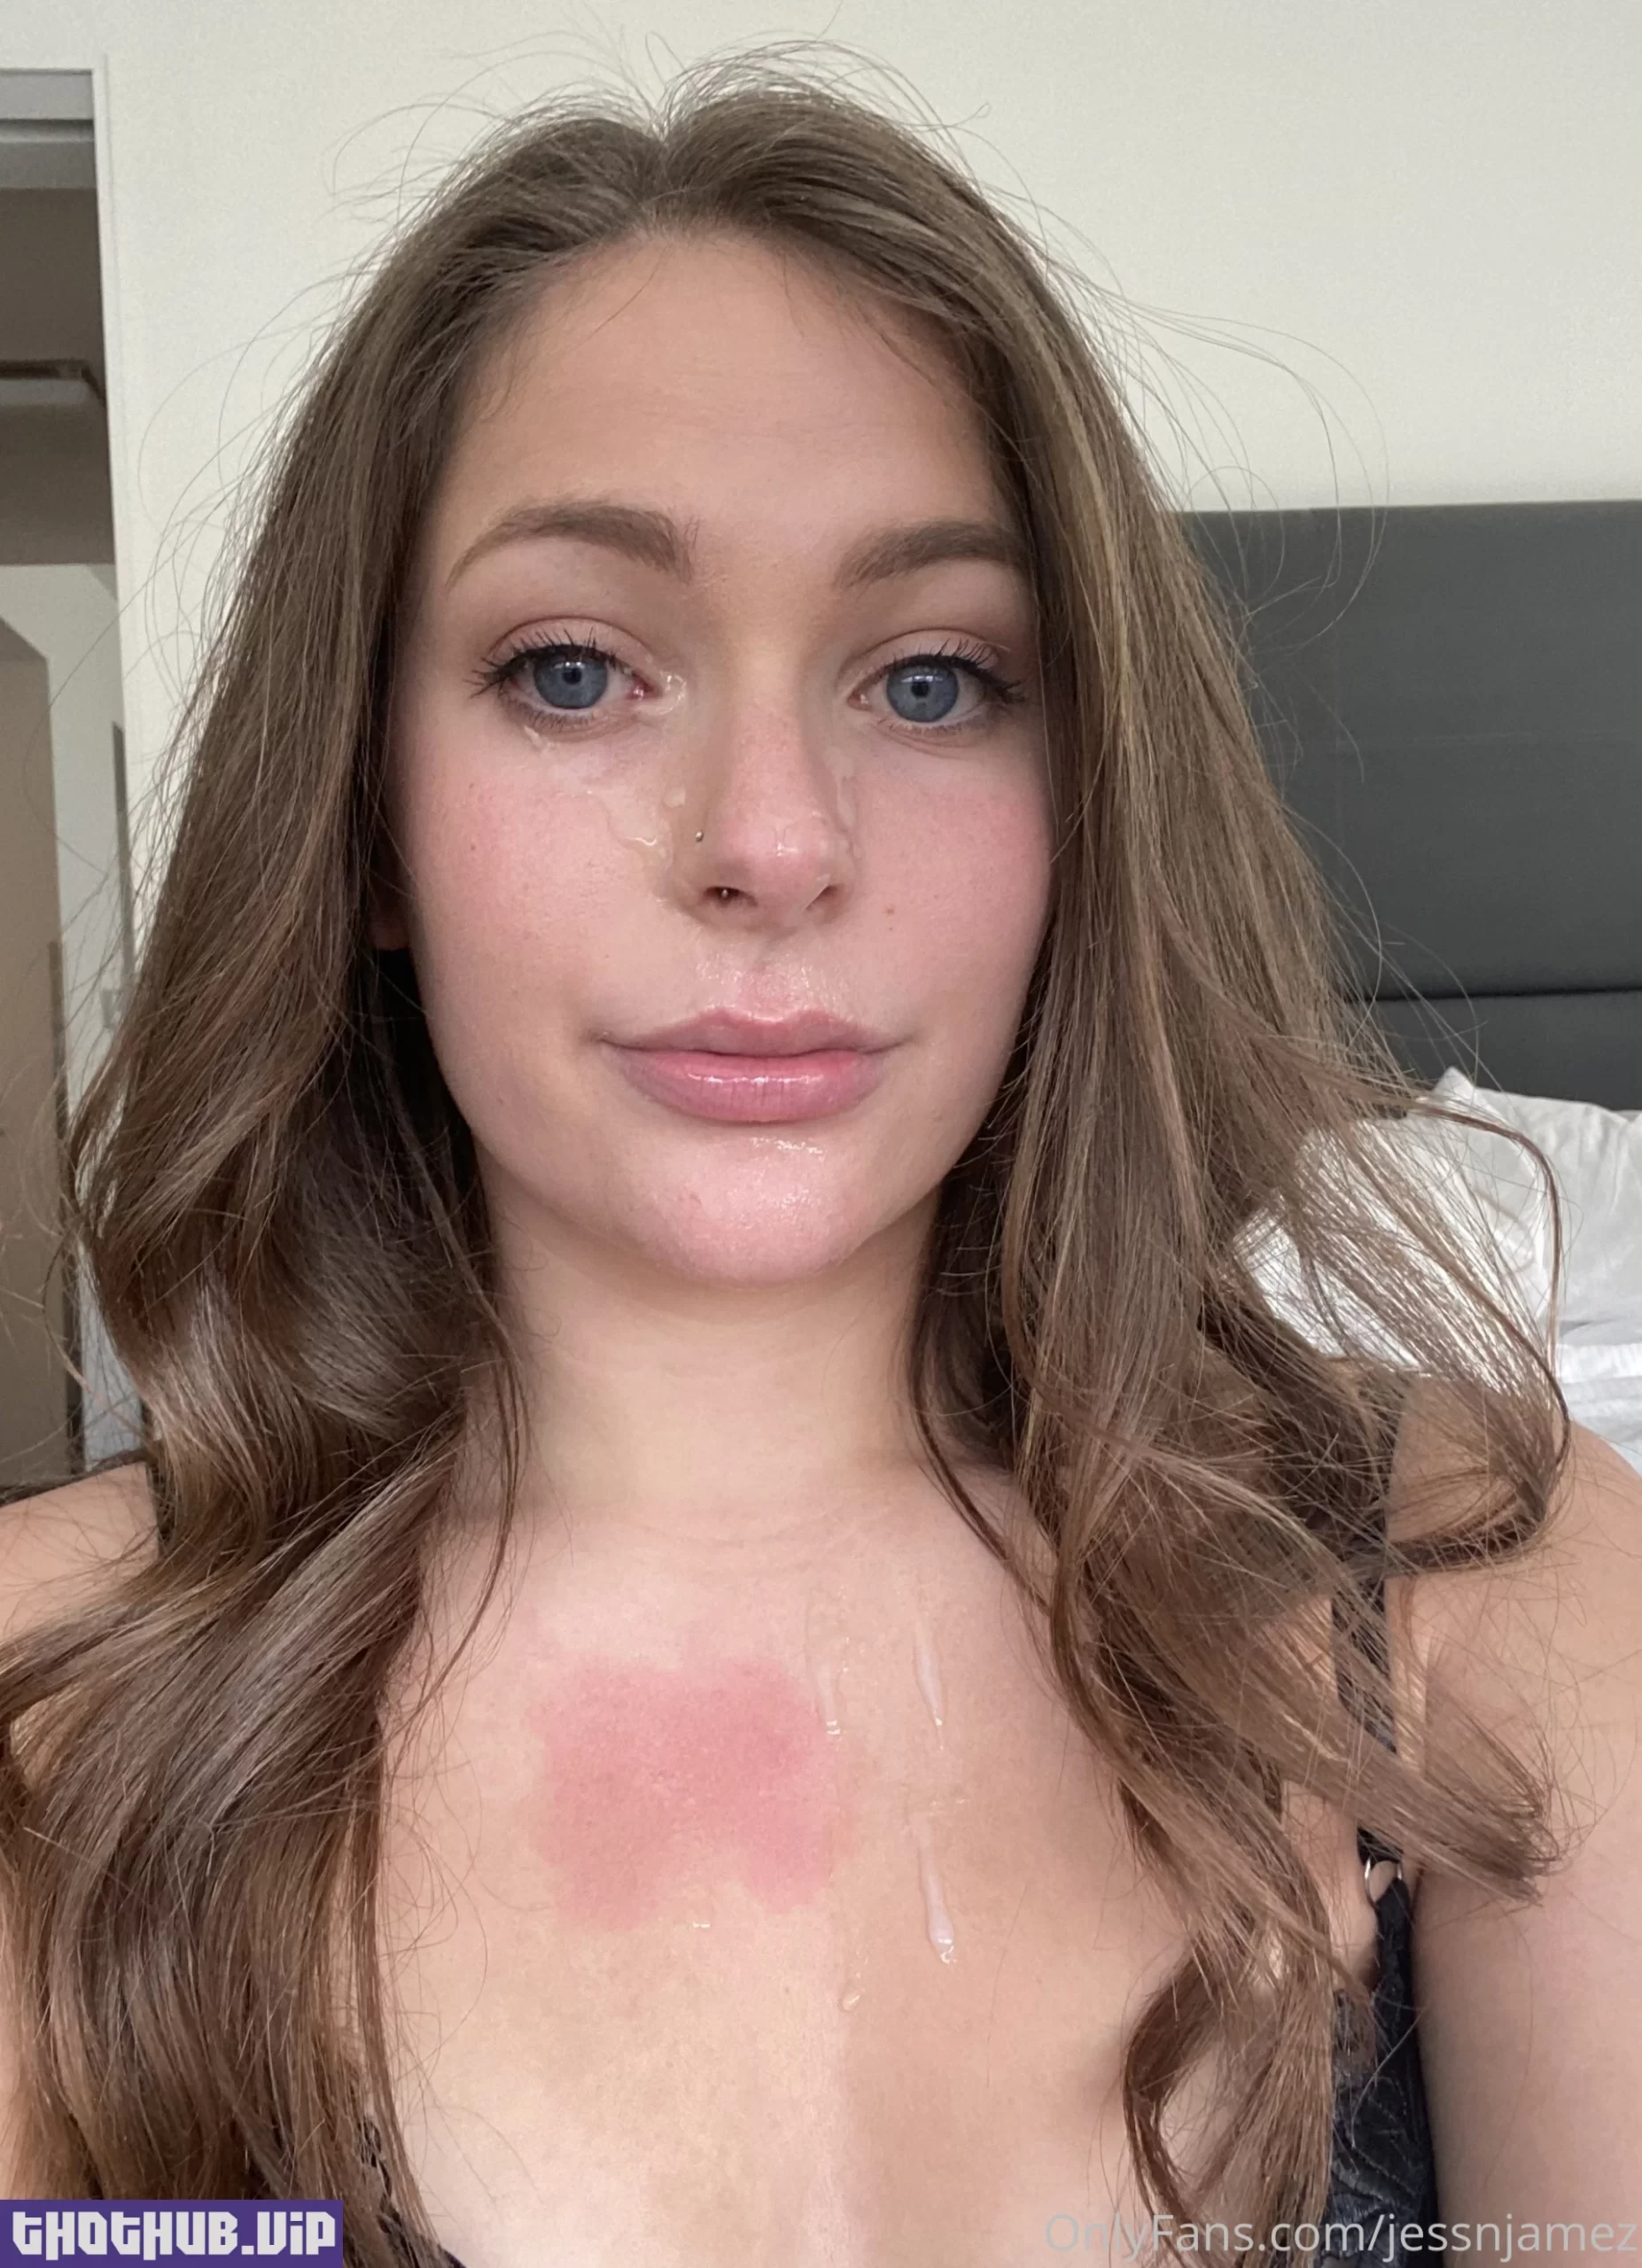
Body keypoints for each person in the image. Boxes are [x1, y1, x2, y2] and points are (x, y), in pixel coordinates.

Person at [0, 57, 1638, 2268]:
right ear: (365, 816)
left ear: (1083, 807)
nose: (772, 844)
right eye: (573, 669)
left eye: (932, 681)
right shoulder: (51, 1711)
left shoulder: (1497, 1593)